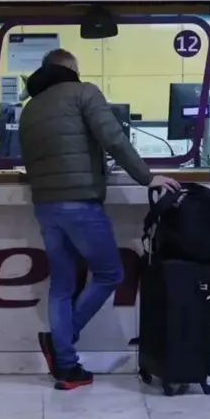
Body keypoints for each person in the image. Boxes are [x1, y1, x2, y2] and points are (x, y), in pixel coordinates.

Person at [18, 48, 180, 390]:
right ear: (71, 70)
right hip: (81, 203)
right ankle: (63, 342)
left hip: (46, 206)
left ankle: (66, 365)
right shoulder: (83, 92)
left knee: (61, 286)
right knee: (109, 273)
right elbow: (114, 139)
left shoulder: (31, 108)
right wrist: (147, 177)